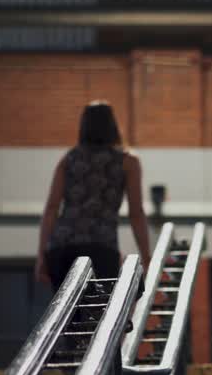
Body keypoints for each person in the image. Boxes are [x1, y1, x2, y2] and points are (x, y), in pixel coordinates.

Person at [36, 101, 151, 287]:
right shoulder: (127, 162)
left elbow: (51, 208)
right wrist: (146, 257)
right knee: (101, 311)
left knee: (69, 312)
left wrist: (41, 256)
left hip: (62, 248)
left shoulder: (69, 159)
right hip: (102, 246)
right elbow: (136, 212)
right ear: (113, 126)